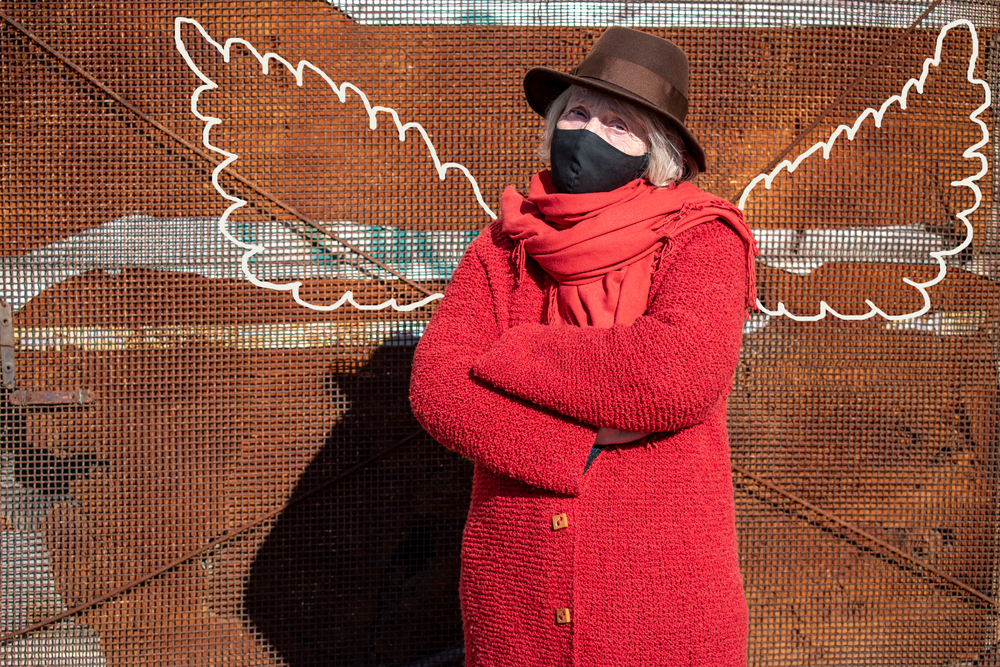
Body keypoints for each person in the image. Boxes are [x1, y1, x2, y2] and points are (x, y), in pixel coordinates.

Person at [410, 26, 759, 667]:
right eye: (578, 112)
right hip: (515, 591)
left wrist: (510, 351)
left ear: (657, 154)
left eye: (619, 125)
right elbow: (437, 387)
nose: (589, 134)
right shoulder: (504, 244)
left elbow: (671, 376)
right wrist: (574, 444)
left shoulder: (703, 240)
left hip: (661, 593)